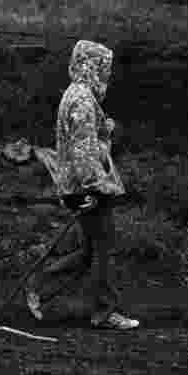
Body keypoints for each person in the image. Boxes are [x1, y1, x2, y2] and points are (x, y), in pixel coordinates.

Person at [26, 39, 139, 330]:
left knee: (91, 249)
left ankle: (40, 286)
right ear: (91, 66)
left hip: (77, 185)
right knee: (102, 249)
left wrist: (105, 130)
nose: (107, 74)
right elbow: (82, 150)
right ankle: (105, 311)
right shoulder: (83, 101)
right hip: (86, 187)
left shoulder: (76, 95)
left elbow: (83, 142)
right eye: (103, 68)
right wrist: (95, 187)